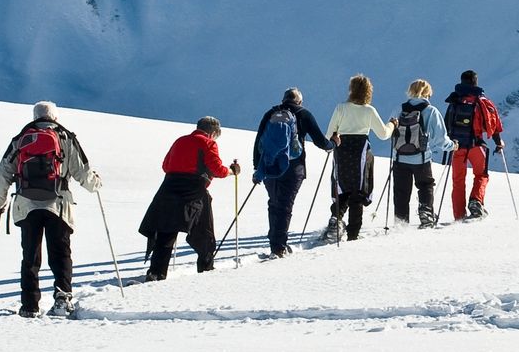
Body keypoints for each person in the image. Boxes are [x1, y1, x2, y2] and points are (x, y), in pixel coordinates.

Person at [0, 101, 103, 318]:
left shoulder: (21, 139)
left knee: (30, 256)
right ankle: (62, 299)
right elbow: (83, 173)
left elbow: (3, 174)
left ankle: (30, 305)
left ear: (35, 117)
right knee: (60, 253)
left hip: (26, 205)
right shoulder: (65, 138)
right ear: (55, 118)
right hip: (58, 204)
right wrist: (96, 184)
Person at [137, 117, 238, 280]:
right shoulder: (208, 143)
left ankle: (156, 272)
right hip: (194, 191)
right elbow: (217, 170)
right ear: (212, 132)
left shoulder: (180, 141)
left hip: (169, 188)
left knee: (166, 231)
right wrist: (232, 171)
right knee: (204, 231)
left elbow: (165, 166)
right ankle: (205, 269)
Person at [252, 87, 334, 258]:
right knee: (284, 205)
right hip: (293, 167)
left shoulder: (271, 113)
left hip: (269, 166)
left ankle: (275, 242)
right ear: (300, 101)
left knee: (274, 203)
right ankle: (278, 247)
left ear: (283, 100)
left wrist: (257, 167)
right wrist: (333, 144)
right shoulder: (304, 114)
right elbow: (320, 141)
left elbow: (259, 140)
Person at [322, 74, 393, 244]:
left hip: (342, 149)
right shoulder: (369, 110)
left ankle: (335, 220)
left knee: (342, 188)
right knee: (358, 191)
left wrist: (335, 137)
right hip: (362, 150)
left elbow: (328, 134)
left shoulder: (341, 108)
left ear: (351, 90)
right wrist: (393, 125)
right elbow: (383, 134)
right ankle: (353, 233)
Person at [388, 79, 454, 229]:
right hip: (421, 158)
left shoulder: (399, 109)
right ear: (428, 93)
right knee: (425, 186)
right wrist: (452, 146)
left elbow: (391, 132)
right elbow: (440, 139)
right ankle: (426, 215)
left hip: (399, 158)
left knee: (401, 192)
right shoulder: (431, 111)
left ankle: (400, 223)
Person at [443, 70, 506, 221]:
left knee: (458, 181)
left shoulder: (454, 100)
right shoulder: (481, 101)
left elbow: (446, 125)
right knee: (481, 174)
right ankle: (476, 201)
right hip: (476, 145)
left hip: (456, 146)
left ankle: (459, 216)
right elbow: (493, 124)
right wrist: (499, 143)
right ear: (475, 82)